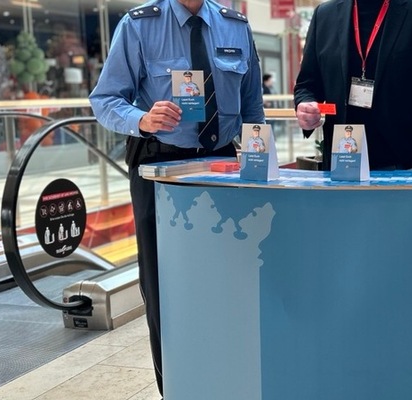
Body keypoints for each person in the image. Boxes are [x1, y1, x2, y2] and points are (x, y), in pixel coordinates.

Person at [88, 0, 265, 397]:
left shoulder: (235, 26)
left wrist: (259, 159)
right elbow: (105, 99)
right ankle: (177, 387)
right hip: (160, 165)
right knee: (164, 284)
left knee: (229, 279)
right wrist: (142, 119)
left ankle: (230, 381)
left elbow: (253, 105)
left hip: (223, 166)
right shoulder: (138, 26)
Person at [293, 0, 412, 171]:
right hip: (341, 165)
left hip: (405, 169)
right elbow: (307, 84)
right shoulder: (324, 14)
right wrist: (306, 105)